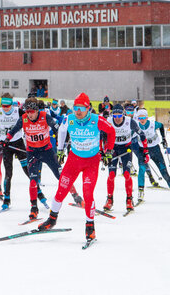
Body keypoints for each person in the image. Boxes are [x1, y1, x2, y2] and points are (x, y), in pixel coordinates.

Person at [37, 92, 115, 244]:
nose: (77, 111)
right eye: (75, 107)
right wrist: (59, 150)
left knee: (87, 194)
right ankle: (52, 219)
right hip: (74, 160)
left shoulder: (96, 119)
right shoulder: (69, 118)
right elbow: (61, 131)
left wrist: (108, 151)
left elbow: (111, 132)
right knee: (61, 190)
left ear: (88, 109)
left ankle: (90, 226)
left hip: (91, 162)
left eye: (81, 108)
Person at [4, 97, 83, 221]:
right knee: (33, 181)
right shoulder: (23, 118)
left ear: (36, 110)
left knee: (61, 176)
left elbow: (58, 128)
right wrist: (7, 139)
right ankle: (34, 209)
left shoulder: (44, 116)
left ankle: (76, 196)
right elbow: (14, 130)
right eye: (27, 111)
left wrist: (62, 140)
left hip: (47, 151)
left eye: (31, 112)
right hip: (32, 153)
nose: (29, 114)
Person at [0, 93, 44, 210]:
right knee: (8, 174)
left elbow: (31, 117)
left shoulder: (18, 111)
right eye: (3, 105)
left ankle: (39, 193)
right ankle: (6, 199)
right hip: (6, 145)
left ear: (12, 104)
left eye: (8, 105)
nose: (5, 108)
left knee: (28, 170)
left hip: (18, 143)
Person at [134, 109, 170, 203]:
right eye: (139, 118)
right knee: (141, 170)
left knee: (164, 172)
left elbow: (161, 126)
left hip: (155, 149)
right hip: (142, 149)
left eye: (143, 117)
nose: (142, 120)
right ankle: (140, 193)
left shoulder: (153, 124)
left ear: (147, 117)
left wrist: (164, 138)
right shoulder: (136, 125)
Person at [104, 104, 147, 212]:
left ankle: (129, 199)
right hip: (112, 149)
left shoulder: (129, 121)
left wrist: (145, 151)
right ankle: (109, 199)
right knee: (111, 174)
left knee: (127, 174)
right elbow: (102, 135)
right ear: (112, 115)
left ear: (123, 114)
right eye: (115, 116)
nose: (117, 118)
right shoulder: (108, 120)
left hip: (126, 149)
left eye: (119, 115)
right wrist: (103, 151)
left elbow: (142, 135)